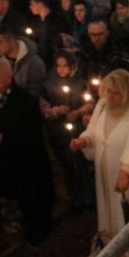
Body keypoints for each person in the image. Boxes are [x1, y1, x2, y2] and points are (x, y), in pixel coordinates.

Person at [0, 58, 54, 244]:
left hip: (27, 159)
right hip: (6, 160)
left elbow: (31, 130)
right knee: (19, 196)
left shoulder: (24, 100)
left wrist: (5, 138)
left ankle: (39, 228)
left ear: (8, 78)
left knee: (34, 196)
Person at [71, 69, 129, 238]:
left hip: (123, 173)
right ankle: (108, 245)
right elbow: (93, 131)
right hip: (104, 172)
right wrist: (83, 140)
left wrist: (125, 171)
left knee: (124, 214)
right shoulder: (101, 105)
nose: (111, 97)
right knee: (107, 209)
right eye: (109, 91)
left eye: (117, 93)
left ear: (127, 93)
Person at [40, 50, 94, 214]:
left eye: (65, 65)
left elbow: (89, 102)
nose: (62, 69)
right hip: (58, 131)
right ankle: (75, 199)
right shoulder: (48, 84)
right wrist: (57, 110)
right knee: (68, 166)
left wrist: (78, 112)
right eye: (59, 66)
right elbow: (43, 108)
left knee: (82, 164)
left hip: (78, 127)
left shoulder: (80, 82)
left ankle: (88, 198)